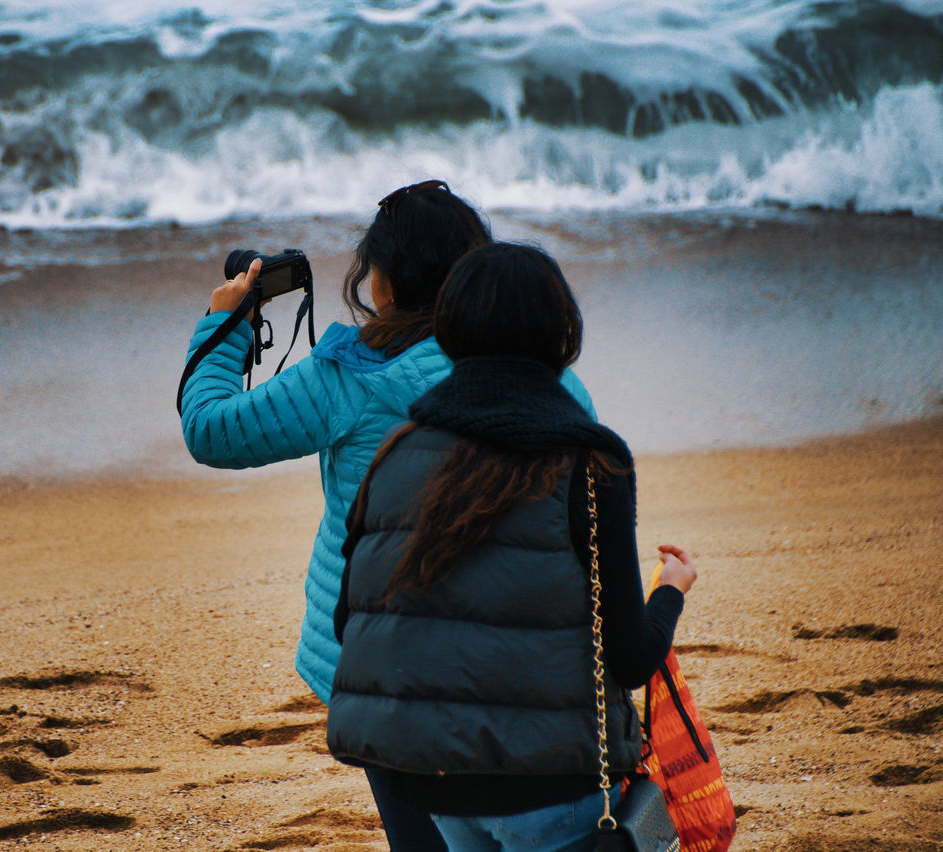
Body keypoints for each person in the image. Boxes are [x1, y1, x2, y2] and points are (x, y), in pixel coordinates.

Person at [180, 183, 597, 850]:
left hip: (385, 658)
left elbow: (211, 429)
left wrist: (227, 324)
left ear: (387, 279)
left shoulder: (347, 373)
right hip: (519, 657)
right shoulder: (551, 375)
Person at [327, 241, 699, 852]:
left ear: (453, 333)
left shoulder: (394, 453)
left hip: (434, 783)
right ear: (561, 335)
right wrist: (671, 592)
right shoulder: (590, 463)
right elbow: (631, 658)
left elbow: (353, 624)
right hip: (553, 786)